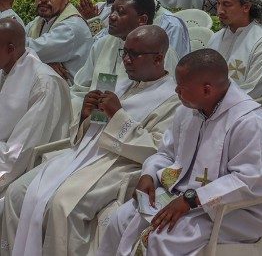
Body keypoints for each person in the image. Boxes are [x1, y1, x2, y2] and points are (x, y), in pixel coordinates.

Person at [3, 26, 180, 256]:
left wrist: (118, 116)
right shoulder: (120, 84)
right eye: (124, 52)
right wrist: (86, 116)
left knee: (62, 206)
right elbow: (89, 133)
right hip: (83, 154)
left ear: (158, 58)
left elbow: (156, 150)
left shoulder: (174, 100)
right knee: (17, 193)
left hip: (120, 164)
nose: (126, 60)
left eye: (134, 54)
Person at [98, 48, 262, 255]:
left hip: (237, 211)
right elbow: (167, 153)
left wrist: (192, 199)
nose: (176, 93)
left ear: (207, 90)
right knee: (120, 218)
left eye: (181, 88)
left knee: (163, 237)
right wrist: (148, 175)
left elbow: (252, 181)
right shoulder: (188, 111)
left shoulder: (250, 122)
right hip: (183, 196)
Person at [71, 0, 179, 112]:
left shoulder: (161, 53)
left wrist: (116, 111)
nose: (111, 16)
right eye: (112, 10)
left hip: (135, 118)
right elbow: (80, 88)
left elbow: (162, 98)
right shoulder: (103, 44)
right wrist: (85, 106)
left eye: (120, 12)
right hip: (94, 117)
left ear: (142, 20)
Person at [0, 19, 71, 197]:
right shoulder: (6, 67)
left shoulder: (43, 83)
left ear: (10, 49)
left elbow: (20, 151)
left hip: (24, 169)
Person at [0, 0, 92, 82]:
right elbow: (22, 39)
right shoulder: (42, 20)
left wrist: (7, 9)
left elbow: (19, 48)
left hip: (68, 94)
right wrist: (45, 63)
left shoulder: (71, 27)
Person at [208, 0, 262, 99]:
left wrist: (215, 103)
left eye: (226, 4)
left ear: (246, 7)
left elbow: (254, 90)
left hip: (245, 112)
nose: (219, 11)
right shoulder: (216, 37)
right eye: (218, 3)